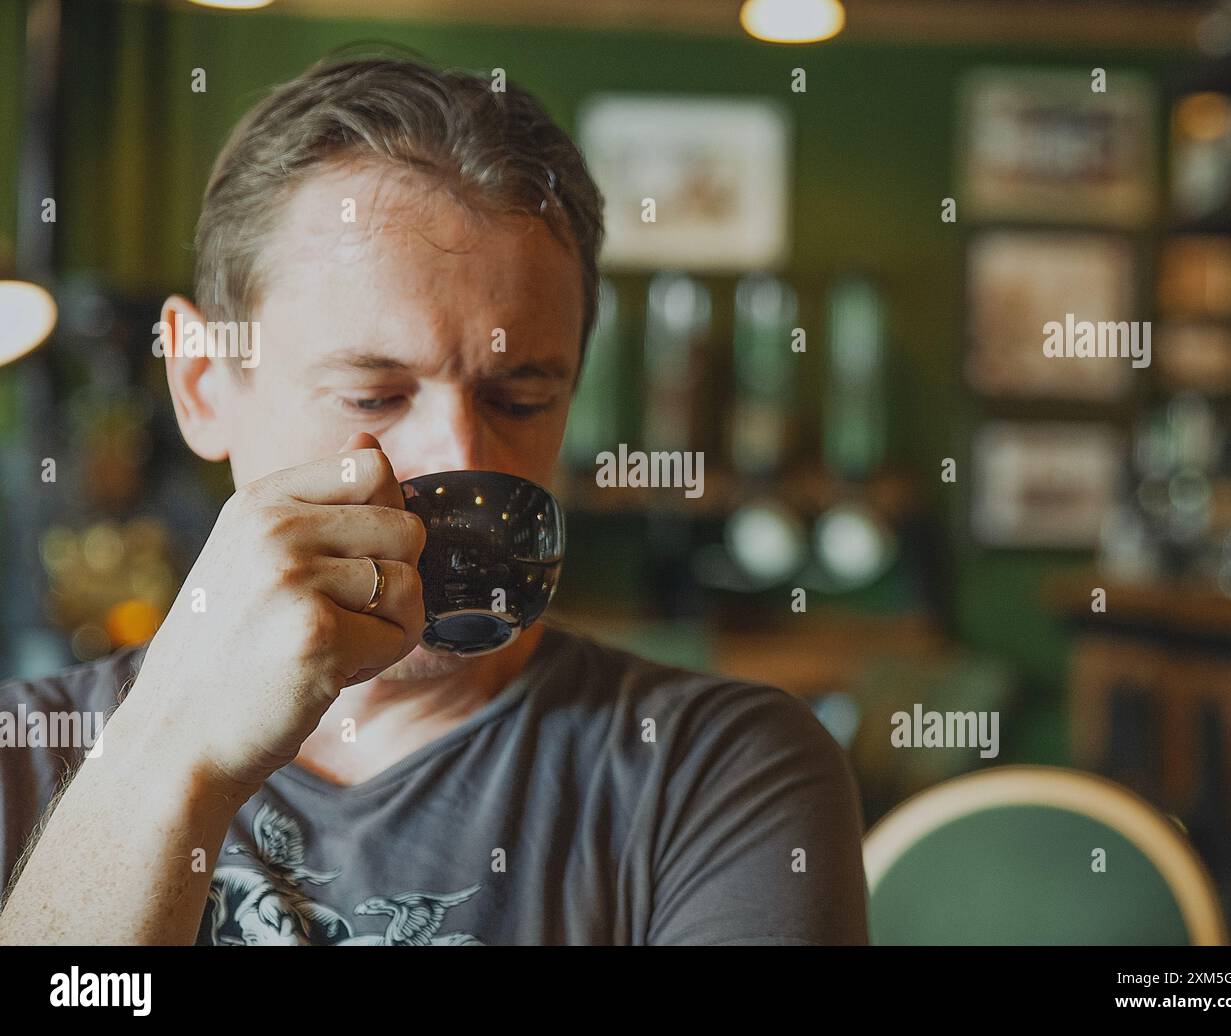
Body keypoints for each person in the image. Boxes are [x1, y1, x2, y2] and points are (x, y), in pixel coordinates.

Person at [0, 57, 868, 946]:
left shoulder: (718, 770)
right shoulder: (20, 760)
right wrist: (173, 757)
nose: (464, 458)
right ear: (202, 384)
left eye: (520, 398)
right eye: (374, 396)